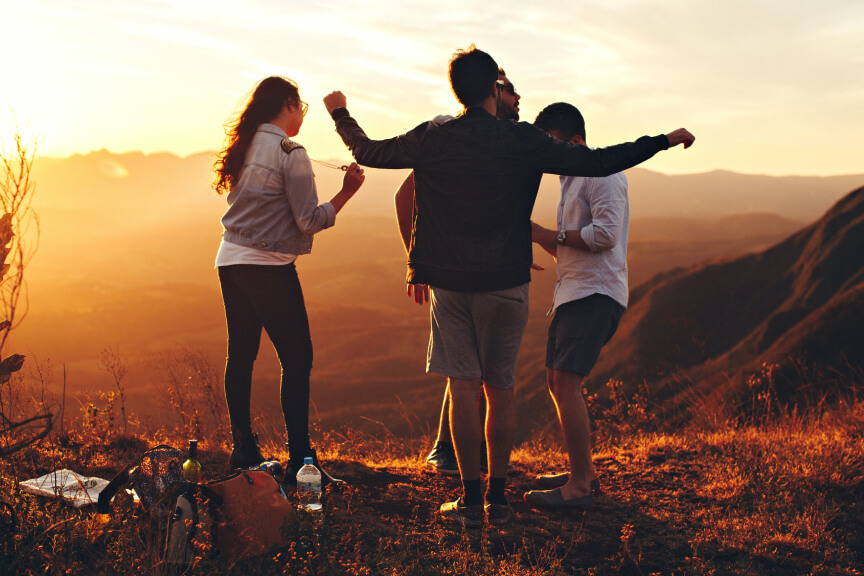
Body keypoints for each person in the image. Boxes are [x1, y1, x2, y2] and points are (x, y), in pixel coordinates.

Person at [323, 46, 694, 527]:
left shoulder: (434, 137)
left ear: (458, 90)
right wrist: (662, 140)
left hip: (452, 283)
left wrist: (340, 114)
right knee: (501, 391)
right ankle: (498, 499)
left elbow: (370, 151)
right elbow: (600, 161)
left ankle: (471, 501)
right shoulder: (520, 140)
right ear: (495, 90)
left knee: (463, 390)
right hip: (507, 281)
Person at [213, 76, 365, 484]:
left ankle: (243, 450)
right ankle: (302, 461)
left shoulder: (245, 144)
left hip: (230, 259)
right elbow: (309, 220)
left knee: (241, 354)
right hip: (269, 266)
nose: (302, 116)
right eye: (301, 108)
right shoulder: (291, 152)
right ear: (288, 104)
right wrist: (347, 191)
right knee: (297, 359)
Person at [394, 68, 521, 476]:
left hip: (484, 269)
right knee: (466, 371)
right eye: (511, 90)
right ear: (492, 91)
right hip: (455, 272)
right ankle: (448, 451)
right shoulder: (450, 134)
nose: (519, 100)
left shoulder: (499, 142)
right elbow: (405, 194)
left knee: (472, 369)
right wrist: (417, 261)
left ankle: (460, 455)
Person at [524, 102, 632, 509]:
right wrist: (538, 238)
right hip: (574, 292)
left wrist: (549, 232)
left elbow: (604, 235)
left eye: (550, 145)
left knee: (566, 383)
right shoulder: (571, 179)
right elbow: (573, 245)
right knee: (557, 381)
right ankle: (580, 472)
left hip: (596, 294)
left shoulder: (600, 173)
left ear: (574, 140)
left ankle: (580, 488)